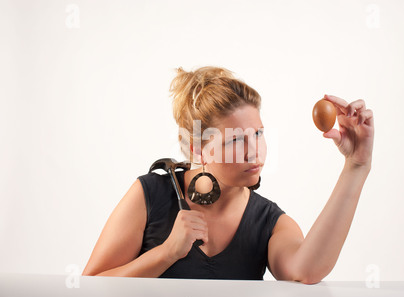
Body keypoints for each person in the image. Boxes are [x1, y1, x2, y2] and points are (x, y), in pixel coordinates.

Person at [82, 66, 374, 284]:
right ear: (199, 149)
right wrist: (166, 253)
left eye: (258, 134)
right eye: (235, 140)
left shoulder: (268, 222)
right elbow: (89, 288)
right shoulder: (150, 195)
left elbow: (306, 271)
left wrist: (356, 167)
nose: (254, 151)